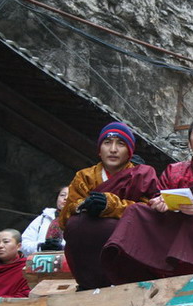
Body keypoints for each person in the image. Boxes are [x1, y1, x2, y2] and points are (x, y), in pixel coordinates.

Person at [102, 116, 193, 283]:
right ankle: (142, 270)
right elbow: (157, 196)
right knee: (136, 210)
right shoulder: (174, 170)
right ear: (189, 143)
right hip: (175, 222)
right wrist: (159, 203)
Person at [61, 122, 159, 291]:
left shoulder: (142, 175)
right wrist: (83, 205)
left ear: (130, 151)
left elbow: (150, 211)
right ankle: (88, 283)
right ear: (99, 150)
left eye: (120, 144)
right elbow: (64, 219)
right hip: (89, 256)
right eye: (107, 143)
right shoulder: (84, 176)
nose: (113, 150)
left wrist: (112, 206)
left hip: (128, 253)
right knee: (75, 225)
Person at [21, 186, 69, 256]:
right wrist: (41, 246)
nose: (66, 198)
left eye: (70, 195)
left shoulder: (79, 221)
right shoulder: (43, 218)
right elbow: (24, 244)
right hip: (40, 261)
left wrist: (63, 248)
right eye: (62, 195)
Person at [0, 229, 30, 298]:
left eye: (6, 242)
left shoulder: (27, 267)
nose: (0, 246)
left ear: (18, 246)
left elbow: (27, 294)